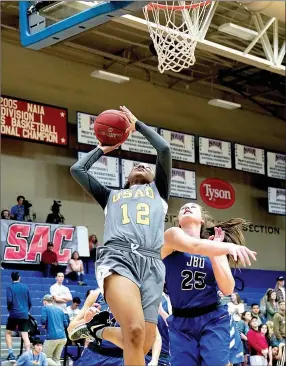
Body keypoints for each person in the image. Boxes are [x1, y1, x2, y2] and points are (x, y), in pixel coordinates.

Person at [69, 106, 172, 366]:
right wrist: (102, 148)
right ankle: (95, 329)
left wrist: (137, 125)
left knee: (142, 344)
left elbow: (164, 150)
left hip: (152, 265)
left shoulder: (159, 191)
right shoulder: (110, 196)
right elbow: (77, 170)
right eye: (134, 166)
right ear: (126, 179)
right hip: (119, 257)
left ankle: (93, 329)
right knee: (134, 332)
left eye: (144, 166)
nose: (140, 165)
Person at [161, 202, 257, 366]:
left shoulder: (215, 248)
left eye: (193, 206)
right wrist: (222, 247)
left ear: (202, 220)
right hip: (181, 321)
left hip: (213, 318)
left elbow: (227, 289)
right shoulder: (170, 239)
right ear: (178, 221)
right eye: (183, 207)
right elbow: (194, 245)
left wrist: (215, 255)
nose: (187, 208)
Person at [5, 272, 32, 362]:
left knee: (8, 333)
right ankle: (28, 356)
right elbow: (30, 302)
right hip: (24, 314)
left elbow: (9, 300)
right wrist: (26, 310)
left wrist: (10, 309)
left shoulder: (10, 287)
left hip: (14, 314)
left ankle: (11, 354)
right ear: (19, 278)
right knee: (25, 335)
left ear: (11, 278)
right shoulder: (25, 287)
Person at [41, 294, 68, 366]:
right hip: (63, 337)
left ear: (45, 301)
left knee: (44, 357)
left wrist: (45, 324)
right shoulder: (60, 310)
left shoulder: (45, 308)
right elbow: (66, 324)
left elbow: (43, 320)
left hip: (52, 337)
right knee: (56, 359)